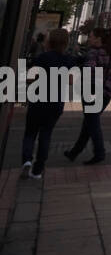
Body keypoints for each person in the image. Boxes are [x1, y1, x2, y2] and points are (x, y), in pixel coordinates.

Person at [65, 27, 111, 165]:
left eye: (92, 36)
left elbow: (89, 69)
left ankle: (99, 152)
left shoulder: (93, 53)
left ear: (99, 39)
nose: (89, 39)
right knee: (89, 122)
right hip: (107, 91)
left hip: (92, 91)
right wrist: (110, 77)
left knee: (92, 123)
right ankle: (75, 152)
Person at [21, 28, 76, 179]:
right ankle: (38, 170)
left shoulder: (42, 58)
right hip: (55, 103)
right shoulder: (68, 60)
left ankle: (26, 160)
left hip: (38, 100)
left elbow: (30, 77)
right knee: (46, 135)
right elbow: (71, 81)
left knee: (30, 132)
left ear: (49, 42)